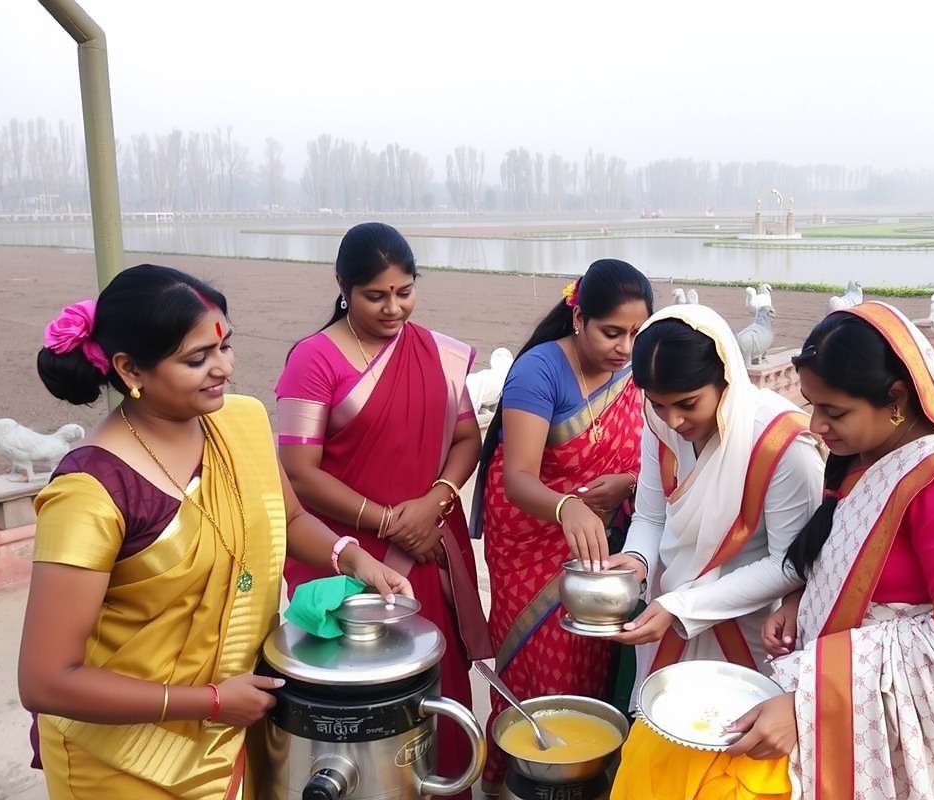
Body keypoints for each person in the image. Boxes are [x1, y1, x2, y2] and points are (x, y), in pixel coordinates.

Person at [19, 264, 412, 800]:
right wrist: (208, 702)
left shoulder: (239, 422)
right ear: (130, 368)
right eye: (197, 358)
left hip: (233, 732)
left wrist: (353, 558)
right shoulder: (91, 491)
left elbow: (289, 518)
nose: (224, 369)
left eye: (225, 346)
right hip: (126, 763)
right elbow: (46, 679)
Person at [722, 303, 934, 799]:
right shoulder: (867, 455)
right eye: (811, 404)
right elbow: (850, 560)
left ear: (895, 398)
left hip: (881, 732)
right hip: (849, 707)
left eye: (833, 411)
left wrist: (810, 700)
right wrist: (800, 602)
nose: (815, 426)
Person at [274, 223, 489, 798]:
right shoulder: (313, 360)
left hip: (428, 546)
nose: (394, 307)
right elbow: (299, 472)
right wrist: (391, 522)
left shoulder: (439, 355)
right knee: (359, 708)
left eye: (405, 291)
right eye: (376, 295)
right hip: (346, 559)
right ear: (343, 287)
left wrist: (434, 502)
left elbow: (467, 439)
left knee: (437, 688)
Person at [473, 259, 653, 792]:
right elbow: (519, 479)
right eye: (612, 332)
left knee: (593, 656)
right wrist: (565, 507)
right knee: (537, 663)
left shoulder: (636, 372)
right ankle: (522, 777)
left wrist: (625, 484)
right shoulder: (539, 370)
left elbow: (654, 460)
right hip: (531, 539)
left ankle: (585, 771)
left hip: (601, 542)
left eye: (637, 334)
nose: (625, 347)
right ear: (579, 319)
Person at [606, 305, 823, 703]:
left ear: (727, 380)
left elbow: (790, 564)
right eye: (657, 404)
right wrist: (636, 559)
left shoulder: (782, 446)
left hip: (744, 631)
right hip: (664, 614)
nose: (672, 421)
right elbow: (652, 517)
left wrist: (683, 606)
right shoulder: (660, 427)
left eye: (688, 404)